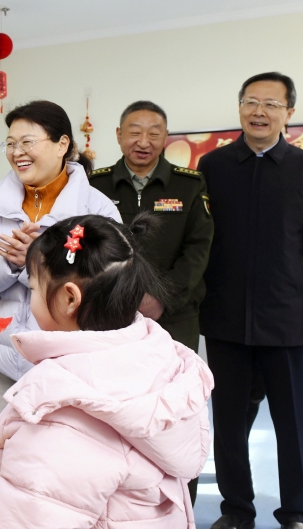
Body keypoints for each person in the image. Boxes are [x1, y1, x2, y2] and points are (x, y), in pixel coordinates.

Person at [0, 214, 213, 529]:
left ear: (69, 298)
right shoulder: (161, 368)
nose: (32, 298)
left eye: (34, 288)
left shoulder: (57, 415)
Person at [199, 72, 303, 529]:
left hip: (288, 318)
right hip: (225, 317)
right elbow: (201, 241)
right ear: (239, 106)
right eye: (251, 101)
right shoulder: (213, 166)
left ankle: (296, 512)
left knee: (293, 423)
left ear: (289, 113)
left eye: (271, 104)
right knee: (229, 423)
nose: (259, 111)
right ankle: (236, 510)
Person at [0, 100, 120, 431]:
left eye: (28, 142)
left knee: (57, 458)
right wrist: (6, 262)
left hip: (67, 367)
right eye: (10, 144)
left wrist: (37, 264)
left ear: (62, 145)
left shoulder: (97, 210)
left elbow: (110, 286)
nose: (17, 152)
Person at [88, 100, 214, 504]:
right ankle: (118, 504)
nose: (143, 141)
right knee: (111, 412)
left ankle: (178, 506)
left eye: (154, 132)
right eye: (134, 131)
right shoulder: (95, 185)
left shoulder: (189, 185)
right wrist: (118, 296)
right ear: (119, 135)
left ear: (165, 137)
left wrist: (161, 297)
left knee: (174, 414)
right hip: (110, 317)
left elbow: (198, 249)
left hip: (175, 317)